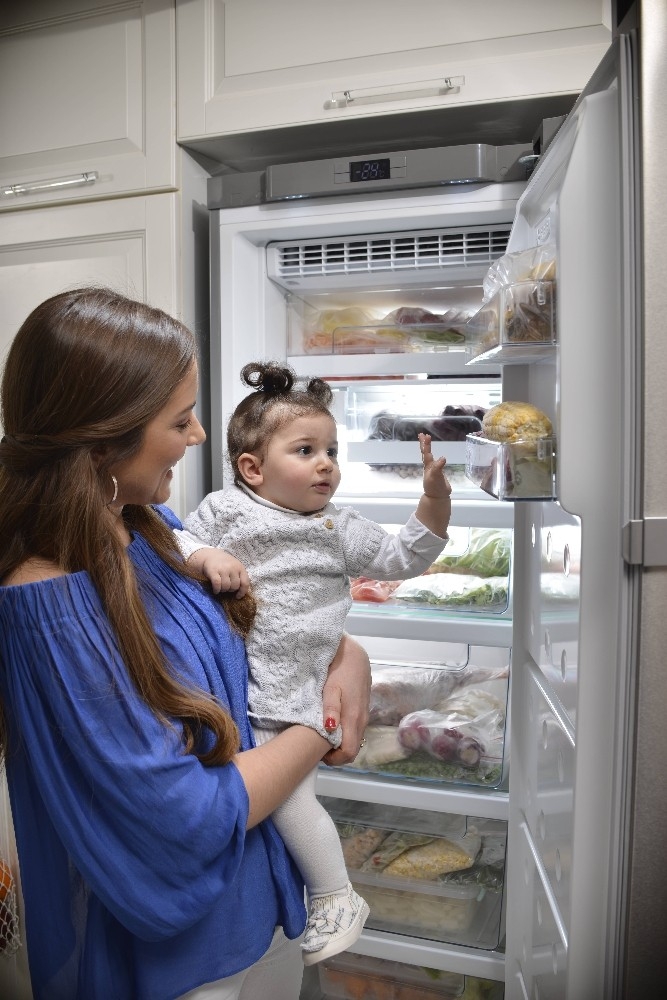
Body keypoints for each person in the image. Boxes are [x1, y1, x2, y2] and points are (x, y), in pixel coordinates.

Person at [0, 288, 372, 1000]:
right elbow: (187, 816)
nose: (201, 436)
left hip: (248, 908)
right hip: (173, 959)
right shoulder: (50, 606)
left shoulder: (145, 522)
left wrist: (345, 653)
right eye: (179, 420)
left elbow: (232, 639)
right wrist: (317, 727)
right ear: (101, 440)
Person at [175, 361, 453, 967]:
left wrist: (434, 499)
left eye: (331, 449)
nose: (326, 462)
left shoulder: (337, 526)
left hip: (301, 691)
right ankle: (309, 895)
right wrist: (207, 555)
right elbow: (174, 539)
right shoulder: (227, 511)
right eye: (306, 450)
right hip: (245, 683)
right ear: (253, 469)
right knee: (269, 803)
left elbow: (403, 556)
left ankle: (337, 895)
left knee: (293, 803)